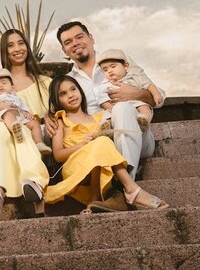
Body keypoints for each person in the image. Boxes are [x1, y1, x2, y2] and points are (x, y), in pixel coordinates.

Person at [53, 21, 166, 211]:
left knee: (121, 109)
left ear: (91, 39)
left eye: (80, 37)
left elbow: (158, 98)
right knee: (104, 137)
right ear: (64, 50)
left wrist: (135, 94)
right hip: (102, 140)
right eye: (68, 42)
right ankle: (129, 190)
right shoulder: (71, 83)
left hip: (137, 133)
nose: (75, 43)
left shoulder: (116, 61)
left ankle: (122, 188)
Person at [44, 75, 168, 212]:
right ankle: (131, 189)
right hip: (76, 168)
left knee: (103, 142)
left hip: (102, 167)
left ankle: (95, 199)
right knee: (101, 141)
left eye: (73, 89)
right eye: (63, 94)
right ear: (57, 100)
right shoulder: (60, 121)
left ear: (80, 90)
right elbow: (58, 155)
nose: (71, 95)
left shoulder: (99, 118)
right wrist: (81, 145)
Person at [0, 29, 52, 220]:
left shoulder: (46, 82)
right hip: (8, 128)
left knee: (21, 129)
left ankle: (32, 181)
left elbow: (57, 111)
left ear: (27, 46)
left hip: (34, 132)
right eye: (10, 45)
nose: (17, 49)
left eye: (21, 43)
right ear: (4, 50)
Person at [0, 68, 52, 155]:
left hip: (19, 118)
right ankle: (15, 130)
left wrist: (27, 113)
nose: (0, 86)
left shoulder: (16, 97)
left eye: (4, 83)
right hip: (3, 119)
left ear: (12, 87)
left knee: (35, 123)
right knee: (8, 113)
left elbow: (22, 108)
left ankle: (39, 143)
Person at [97, 49, 163, 133]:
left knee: (145, 108)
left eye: (113, 66)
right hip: (115, 107)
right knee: (107, 116)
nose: (109, 71)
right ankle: (107, 130)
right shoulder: (105, 84)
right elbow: (102, 100)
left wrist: (156, 94)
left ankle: (143, 123)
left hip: (135, 103)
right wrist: (113, 110)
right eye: (105, 70)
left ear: (126, 66)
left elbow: (148, 84)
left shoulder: (134, 77)